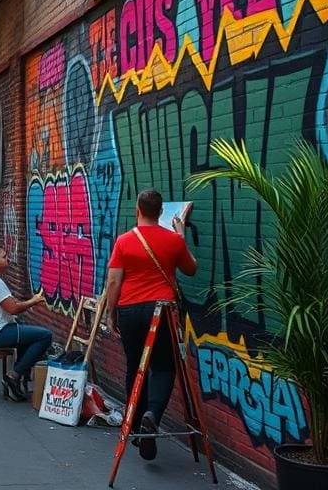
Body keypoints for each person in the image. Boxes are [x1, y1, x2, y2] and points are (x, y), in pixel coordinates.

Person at [105, 189, 198, 462]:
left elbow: (113, 281)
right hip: (163, 310)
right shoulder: (173, 241)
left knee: (135, 366)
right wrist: (180, 237)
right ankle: (152, 416)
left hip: (130, 310)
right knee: (164, 366)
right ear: (160, 212)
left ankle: (135, 427)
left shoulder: (123, 241)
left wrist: (112, 313)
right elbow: (191, 269)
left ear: (138, 209)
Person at [0, 244, 52, 401]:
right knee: (45, 336)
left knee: (28, 338)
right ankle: (14, 375)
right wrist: (34, 300)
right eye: (4, 256)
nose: (7, 259)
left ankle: (17, 380)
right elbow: (13, 309)